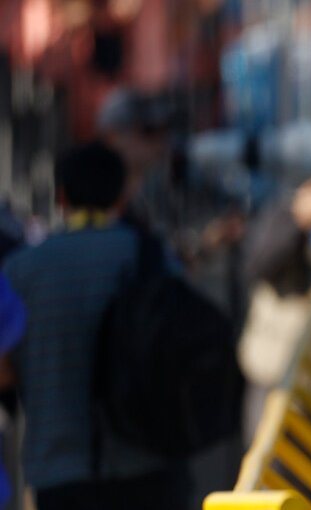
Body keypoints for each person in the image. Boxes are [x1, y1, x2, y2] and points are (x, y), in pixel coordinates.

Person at [2, 141, 190, 510]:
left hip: (60, 470)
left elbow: (4, 372)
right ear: (121, 195)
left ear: (61, 196)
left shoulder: (21, 270)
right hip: (150, 464)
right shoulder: (152, 256)